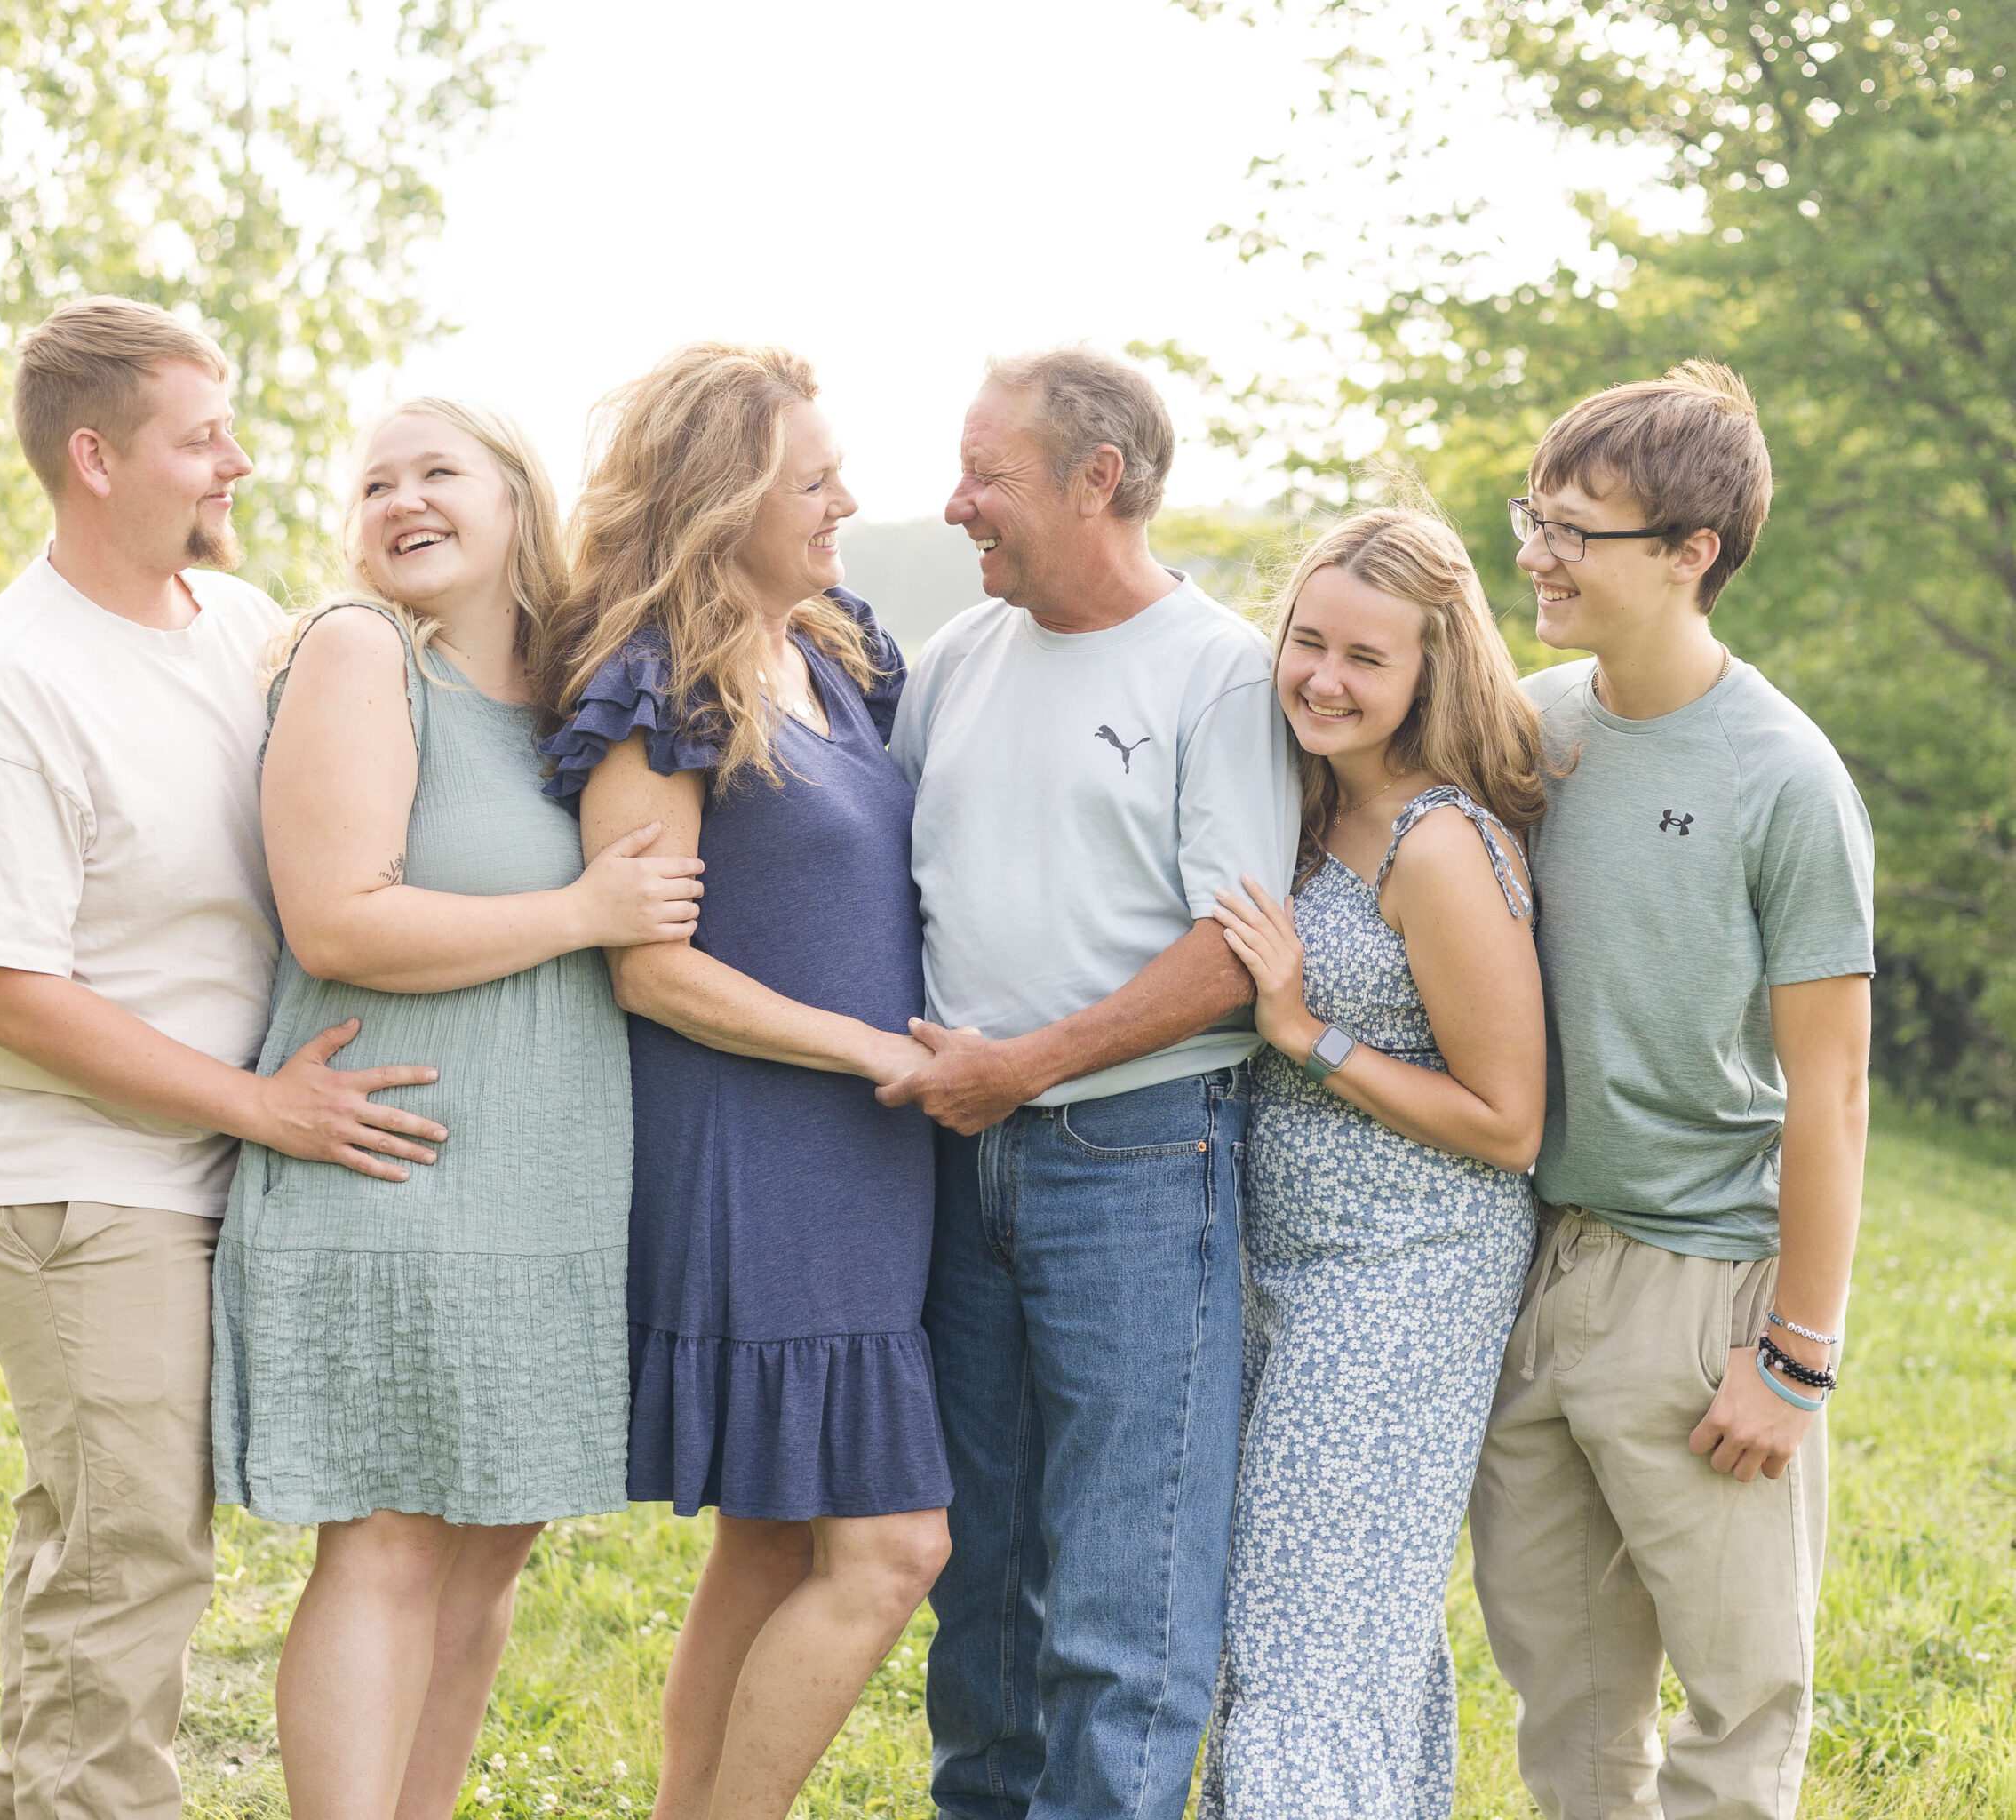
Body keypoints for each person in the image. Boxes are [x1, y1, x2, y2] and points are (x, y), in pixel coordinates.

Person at [0, 297, 450, 1820]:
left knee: (106, 1531)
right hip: (75, 1179)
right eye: (204, 437)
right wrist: (263, 1107)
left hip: (199, 1156)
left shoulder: (234, 624)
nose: (242, 463)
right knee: (131, 1554)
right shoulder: (8, 684)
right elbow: (3, 990)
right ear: (95, 457)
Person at [209, 397, 702, 1819]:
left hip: (545, 1180)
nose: (400, 500)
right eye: (373, 483)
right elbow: (339, 922)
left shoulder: (566, 697)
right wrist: (585, 909)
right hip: (399, 1161)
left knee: (490, 1544)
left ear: (515, 502)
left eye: (437, 473)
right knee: (392, 1546)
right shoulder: (364, 654)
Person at [883, 347, 1299, 1820]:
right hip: (955, 1159)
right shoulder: (954, 660)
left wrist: (1027, 1069)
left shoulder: (1217, 668)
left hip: (1134, 1158)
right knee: (983, 1570)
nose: (955, 505)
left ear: (1096, 481)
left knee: (1130, 1574)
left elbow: (1238, 951)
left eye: (986, 475)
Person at [540, 342, 953, 1820]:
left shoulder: (834, 648)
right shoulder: (663, 678)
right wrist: (867, 1050)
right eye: (813, 477)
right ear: (725, 500)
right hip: (757, 1145)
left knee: (778, 1537)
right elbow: (648, 963)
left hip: (866, 1155)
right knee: (895, 1545)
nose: (847, 497)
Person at [1469, 361, 1874, 1820]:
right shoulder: (1527, 727)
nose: (1538, 553)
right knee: (1566, 1701)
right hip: (1540, 1261)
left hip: (1706, 1292)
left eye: (1579, 529)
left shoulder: (1785, 778)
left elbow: (1830, 1094)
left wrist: (1797, 1354)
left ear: (1692, 555)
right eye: (1537, 515)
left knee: (1737, 1702)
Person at [1196, 505, 1545, 1819]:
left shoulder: (1438, 845)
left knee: (1306, 1644)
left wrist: (1304, 1032)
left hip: (1402, 1280)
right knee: (1336, 1638)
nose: (1324, 680)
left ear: (1429, 675)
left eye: (1367, 659)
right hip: (1282, 1267)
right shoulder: (1302, 805)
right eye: (1307, 642)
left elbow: (1510, 1123)